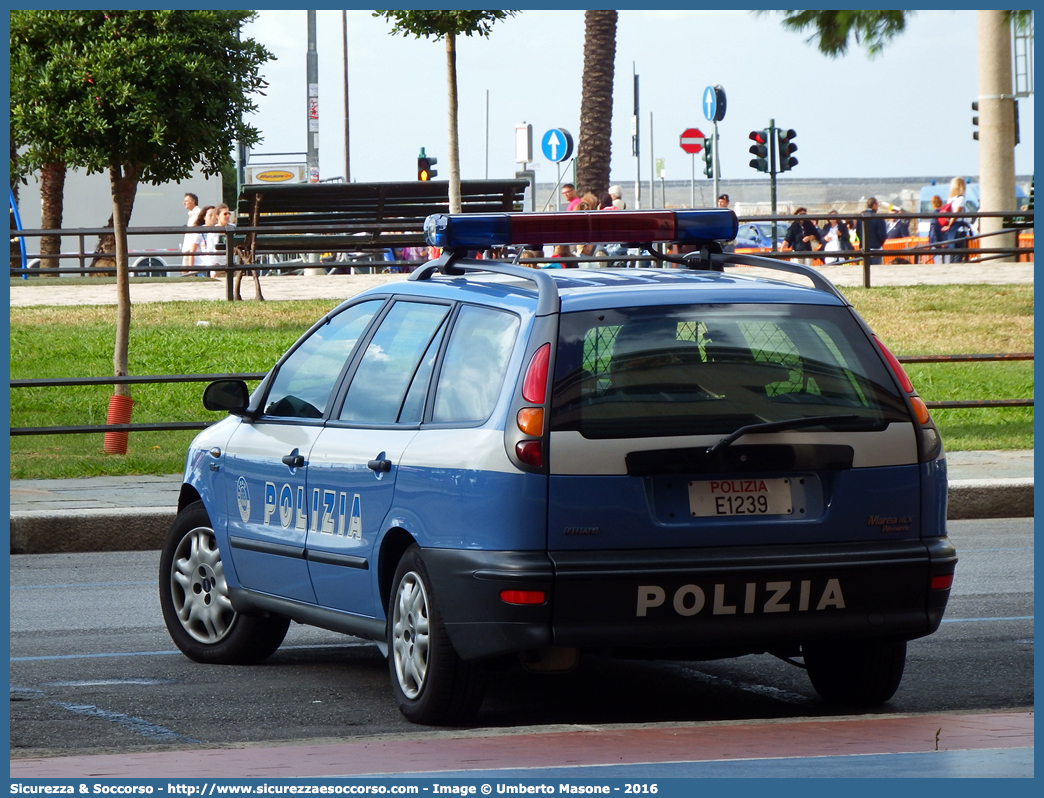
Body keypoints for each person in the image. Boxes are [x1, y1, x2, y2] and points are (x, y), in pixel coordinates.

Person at [942, 177, 974, 263]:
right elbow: (956, 213)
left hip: (952, 230)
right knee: (959, 253)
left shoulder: (951, 199)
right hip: (959, 229)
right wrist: (950, 224)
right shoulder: (961, 199)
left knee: (953, 252)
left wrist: (949, 225)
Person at [856, 197, 888, 264]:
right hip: (875, 248)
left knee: (865, 269)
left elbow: (858, 232)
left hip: (863, 248)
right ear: (874, 205)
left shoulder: (860, 217)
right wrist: (879, 243)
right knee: (876, 270)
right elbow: (882, 234)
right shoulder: (878, 218)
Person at [181, 193, 203, 272]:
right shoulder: (192, 213)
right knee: (186, 270)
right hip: (189, 247)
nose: (184, 203)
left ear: (193, 201)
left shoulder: (198, 213)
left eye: (186, 201)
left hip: (193, 247)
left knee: (188, 271)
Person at [927, 194, 945, 264]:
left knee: (938, 262)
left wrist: (936, 243)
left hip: (936, 243)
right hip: (943, 240)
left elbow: (934, 229)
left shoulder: (933, 214)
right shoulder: (944, 213)